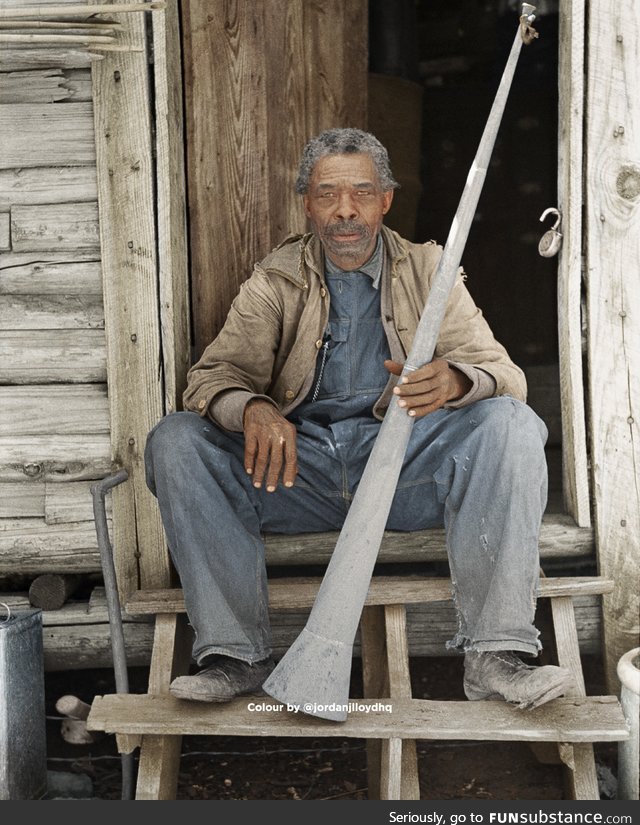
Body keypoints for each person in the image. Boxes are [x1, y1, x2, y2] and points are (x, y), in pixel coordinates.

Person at [144, 127, 572, 709]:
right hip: (301, 475)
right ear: (307, 202)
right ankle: (233, 655)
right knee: (176, 440)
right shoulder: (277, 279)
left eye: (362, 193)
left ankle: (496, 656)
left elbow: (507, 376)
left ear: (386, 199)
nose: (345, 212)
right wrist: (254, 408)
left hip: (403, 473)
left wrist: (456, 379)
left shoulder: (430, 271)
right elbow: (210, 379)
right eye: (328, 194)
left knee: (513, 426)